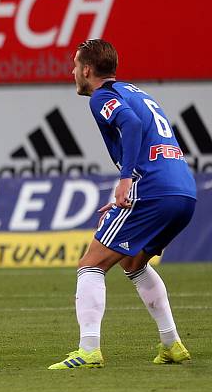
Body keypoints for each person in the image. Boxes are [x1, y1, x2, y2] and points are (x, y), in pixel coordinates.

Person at [48, 39, 196, 370]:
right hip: (183, 190)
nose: (73, 72)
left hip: (151, 189)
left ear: (87, 70)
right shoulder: (135, 91)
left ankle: (88, 350)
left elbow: (130, 124)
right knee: (133, 263)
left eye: (75, 66)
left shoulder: (102, 96)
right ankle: (172, 344)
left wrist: (126, 179)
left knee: (91, 264)